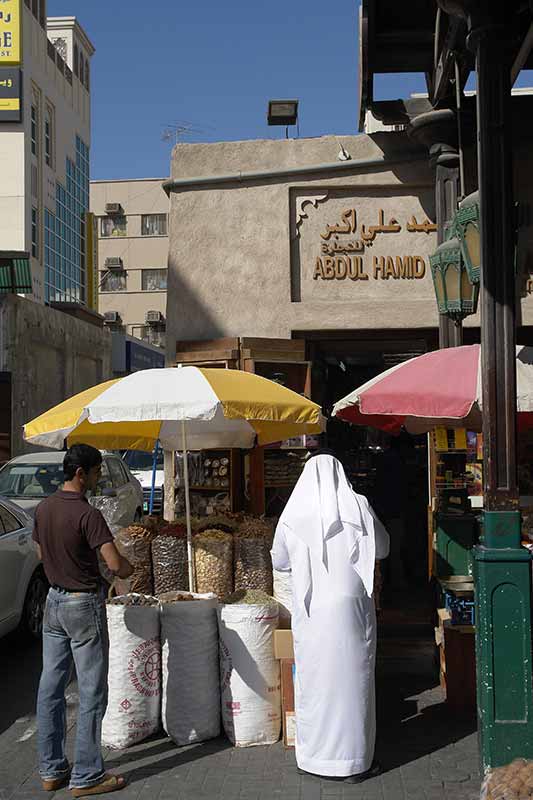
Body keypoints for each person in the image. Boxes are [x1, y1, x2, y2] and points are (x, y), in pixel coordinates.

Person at [271, 453, 389, 783]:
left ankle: (314, 759)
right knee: (353, 683)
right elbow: (383, 548)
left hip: (313, 611)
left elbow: (279, 560)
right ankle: (354, 763)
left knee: (316, 682)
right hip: (352, 611)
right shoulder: (358, 506)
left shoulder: (293, 513)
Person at [33, 444, 134, 797]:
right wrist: (129, 567)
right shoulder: (87, 514)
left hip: (53, 602)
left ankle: (51, 769)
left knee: (51, 687)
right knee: (91, 691)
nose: (97, 480)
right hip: (82, 604)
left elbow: (41, 553)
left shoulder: (43, 508)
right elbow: (115, 563)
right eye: (95, 473)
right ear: (81, 473)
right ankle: (88, 774)